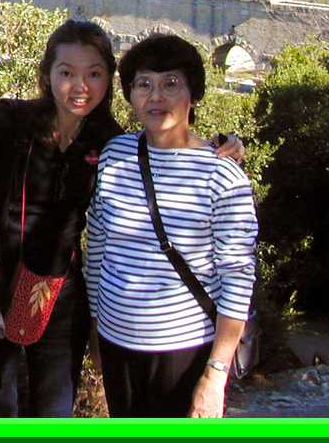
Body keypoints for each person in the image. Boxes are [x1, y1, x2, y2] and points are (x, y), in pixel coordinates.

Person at [0, 20, 243, 417]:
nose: (80, 86)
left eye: (94, 74)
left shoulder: (108, 140)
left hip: (57, 293)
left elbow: (165, 138)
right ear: (47, 76)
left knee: (53, 414)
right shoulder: (8, 120)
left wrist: (220, 146)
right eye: (66, 73)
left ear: (109, 81)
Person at [85, 34, 258, 418]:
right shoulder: (115, 154)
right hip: (116, 343)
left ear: (193, 94)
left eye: (170, 84)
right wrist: (96, 327)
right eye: (143, 85)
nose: (155, 97)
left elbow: (238, 280)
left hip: (185, 350)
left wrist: (215, 375)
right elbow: (97, 244)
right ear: (130, 95)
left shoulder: (223, 177)